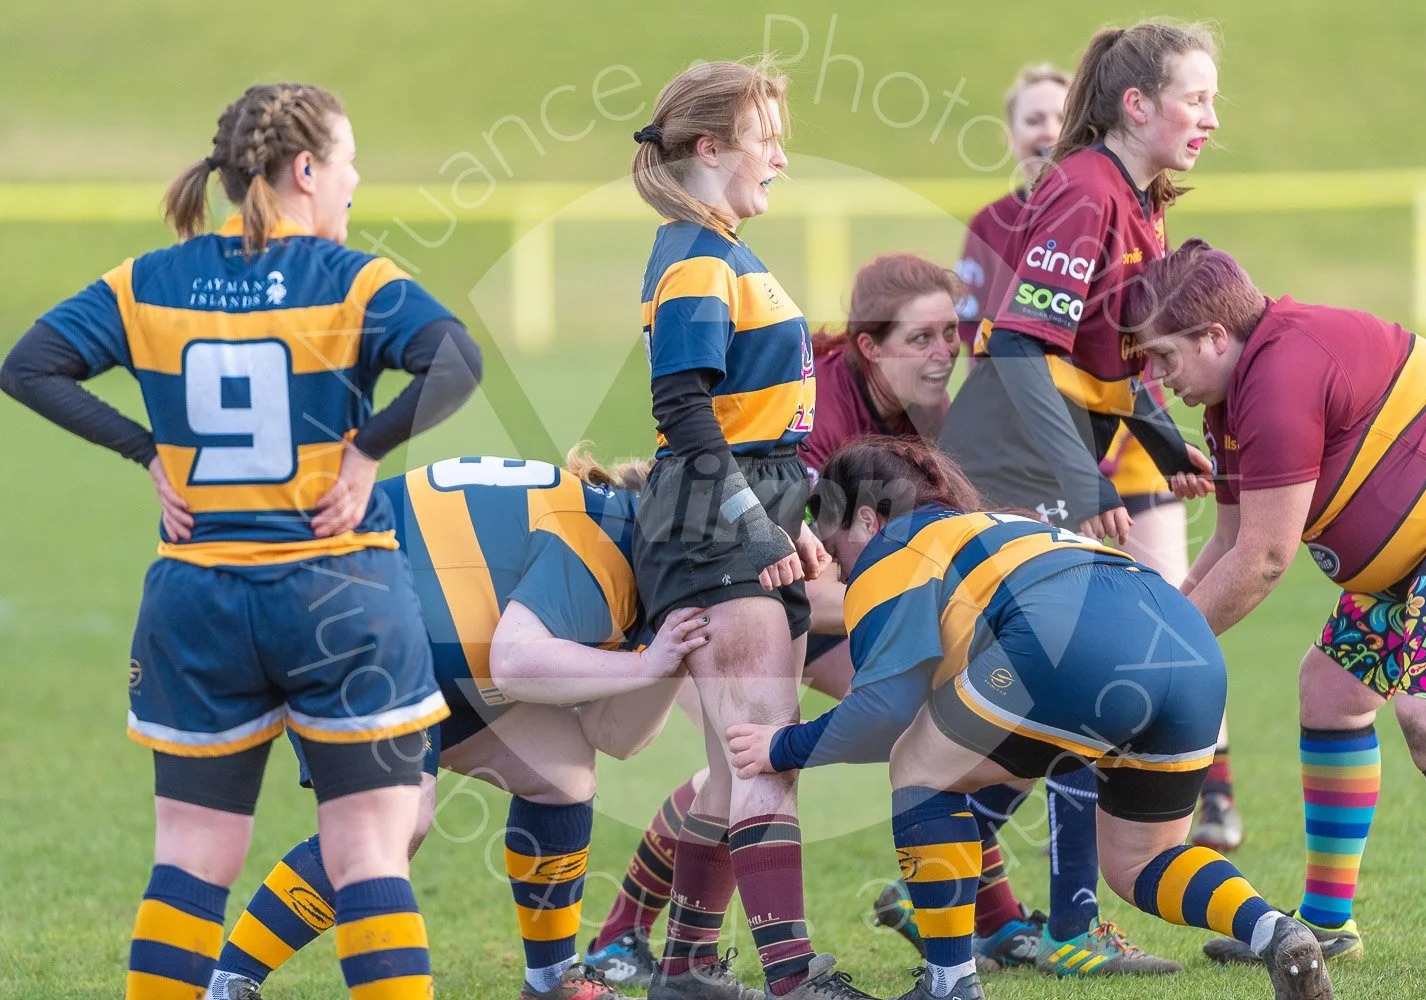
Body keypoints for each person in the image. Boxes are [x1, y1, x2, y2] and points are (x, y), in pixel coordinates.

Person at [0, 84, 483, 999]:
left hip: (197, 603)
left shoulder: (148, 279)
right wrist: (366, 450)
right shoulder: (354, 280)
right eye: (346, 162)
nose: (354, 181)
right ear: (306, 171)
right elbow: (455, 360)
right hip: (341, 599)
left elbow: (26, 365)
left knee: (189, 859)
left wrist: (147, 451)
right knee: (368, 853)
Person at [723, 437, 1336, 1000]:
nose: (838, 566)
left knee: (916, 761)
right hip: (1189, 646)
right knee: (1142, 860)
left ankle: (949, 984)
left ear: (867, 517)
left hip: (1069, 648)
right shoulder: (1009, 523)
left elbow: (883, 712)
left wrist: (782, 747)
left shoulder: (891, 550)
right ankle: (1276, 933)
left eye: (833, 546)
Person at [587, 255, 1044, 980]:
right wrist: (934, 607)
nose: (944, 352)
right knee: (749, 761)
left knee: (931, 719)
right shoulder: (823, 417)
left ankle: (988, 921)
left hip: (812, 591)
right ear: (870, 345)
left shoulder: (920, 406)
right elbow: (818, 573)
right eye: (923, 338)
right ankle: (626, 935)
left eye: (950, 334)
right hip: (736, 579)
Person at [1125, 238, 1426, 975]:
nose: (1159, 381)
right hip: (1421, 548)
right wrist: (1154, 631)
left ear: (1213, 337)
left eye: (1165, 358)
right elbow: (1229, 540)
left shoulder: (1283, 370)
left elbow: (1264, 559)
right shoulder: (1232, 398)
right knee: (1328, 693)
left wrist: (1159, 660)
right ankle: (1328, 923)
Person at [206, 451, 708, 1000]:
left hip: (420, 637)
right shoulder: (605, 548)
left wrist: (669, 655)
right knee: (396, 818)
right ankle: (224, 982)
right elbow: (515, 663)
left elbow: (616, 737)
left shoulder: (639, 554)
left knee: (560, 770)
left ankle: (551, 980)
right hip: (334, 606)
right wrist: (645, 663)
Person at [937, 22, 1220, 974]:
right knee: (1085, 691)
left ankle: (944, 882)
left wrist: (1167, 443)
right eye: (1196, 98)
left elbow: (1110, 366)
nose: (1210, 119)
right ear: (1136, 105)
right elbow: (1018, 346)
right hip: (1018, 471)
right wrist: (1083, 479)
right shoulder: (1085, 188)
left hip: (1055, 466)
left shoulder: (1139, 202)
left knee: (1065, 696)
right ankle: (1060, 927)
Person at [627, 58, 876, 1000]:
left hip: (738, 509)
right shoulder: (696, 255)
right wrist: (759, 527)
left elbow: (745, 423)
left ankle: (689, 968)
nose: (781, 154)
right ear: (707, 147)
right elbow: (685, 413)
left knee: (740, 761)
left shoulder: (719, 247)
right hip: (712, 519)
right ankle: (791, 975)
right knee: (762, 748)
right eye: (765, 135)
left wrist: (792, 523)